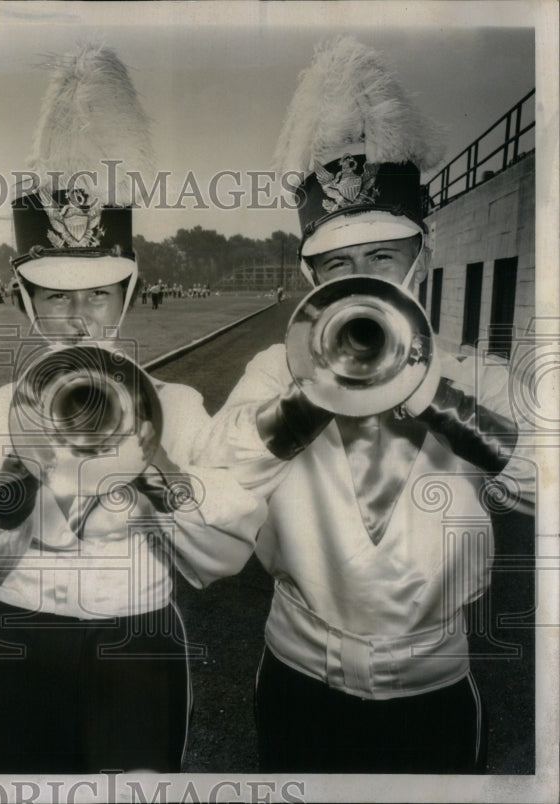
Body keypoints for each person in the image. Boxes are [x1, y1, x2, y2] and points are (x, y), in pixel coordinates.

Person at [199, 36, 534, 774]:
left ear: (422, 255)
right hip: (298, 675)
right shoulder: (271, 370)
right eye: (337, 263)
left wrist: (429, 392)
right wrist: (309, 395)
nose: (358, 279)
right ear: (309, 271)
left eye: (381, 257)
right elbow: (213, 493)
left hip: (433, 687)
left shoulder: (476, 375)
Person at [0, 44, 265, 775]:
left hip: (143, 636)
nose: (80, 315)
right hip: (22, 636)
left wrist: (153, 459)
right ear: (26, 300)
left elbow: (223, 558)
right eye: (57, 295)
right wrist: (18, 462)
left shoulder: (177, 406)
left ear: (127, 292)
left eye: (99, 293)